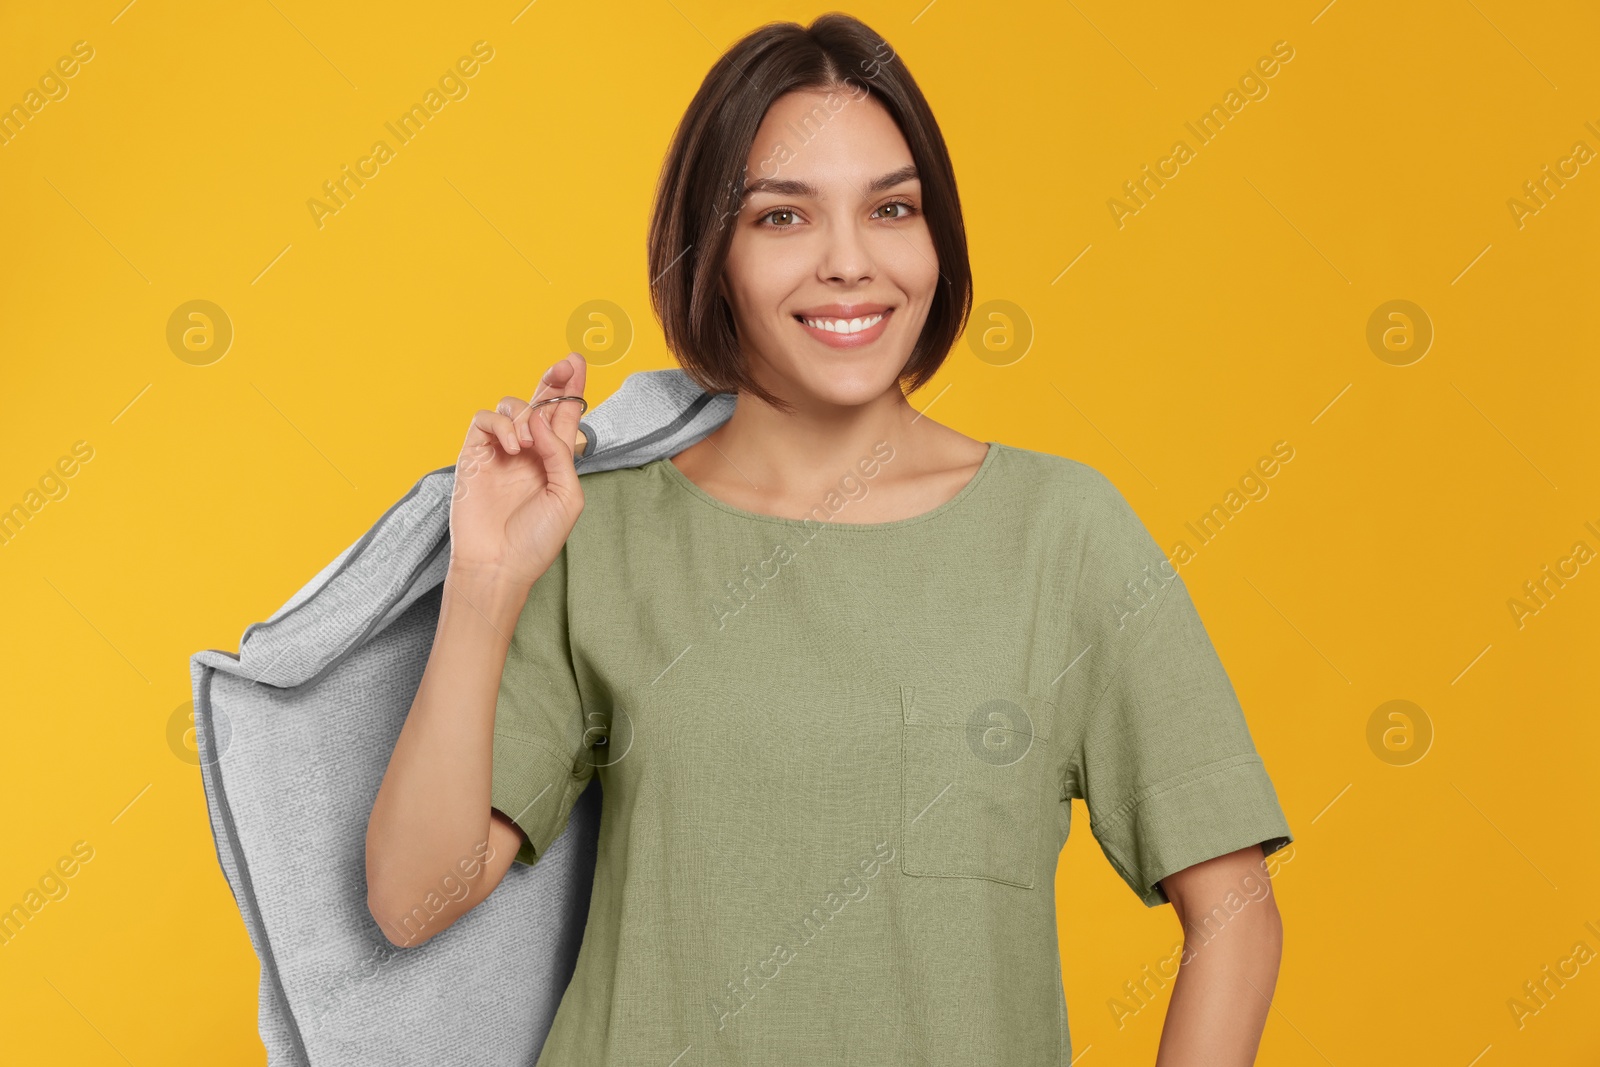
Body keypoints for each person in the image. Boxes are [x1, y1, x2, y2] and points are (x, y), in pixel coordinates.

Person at [365, 13, 1293, 1066]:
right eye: (782, 217)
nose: (848, 263)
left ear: (935, 237)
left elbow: (1235, 913)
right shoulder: (598, 533)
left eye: (891, 208)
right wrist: (485, 577)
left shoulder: (1062, 534)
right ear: (711, 256)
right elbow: (411, 900)